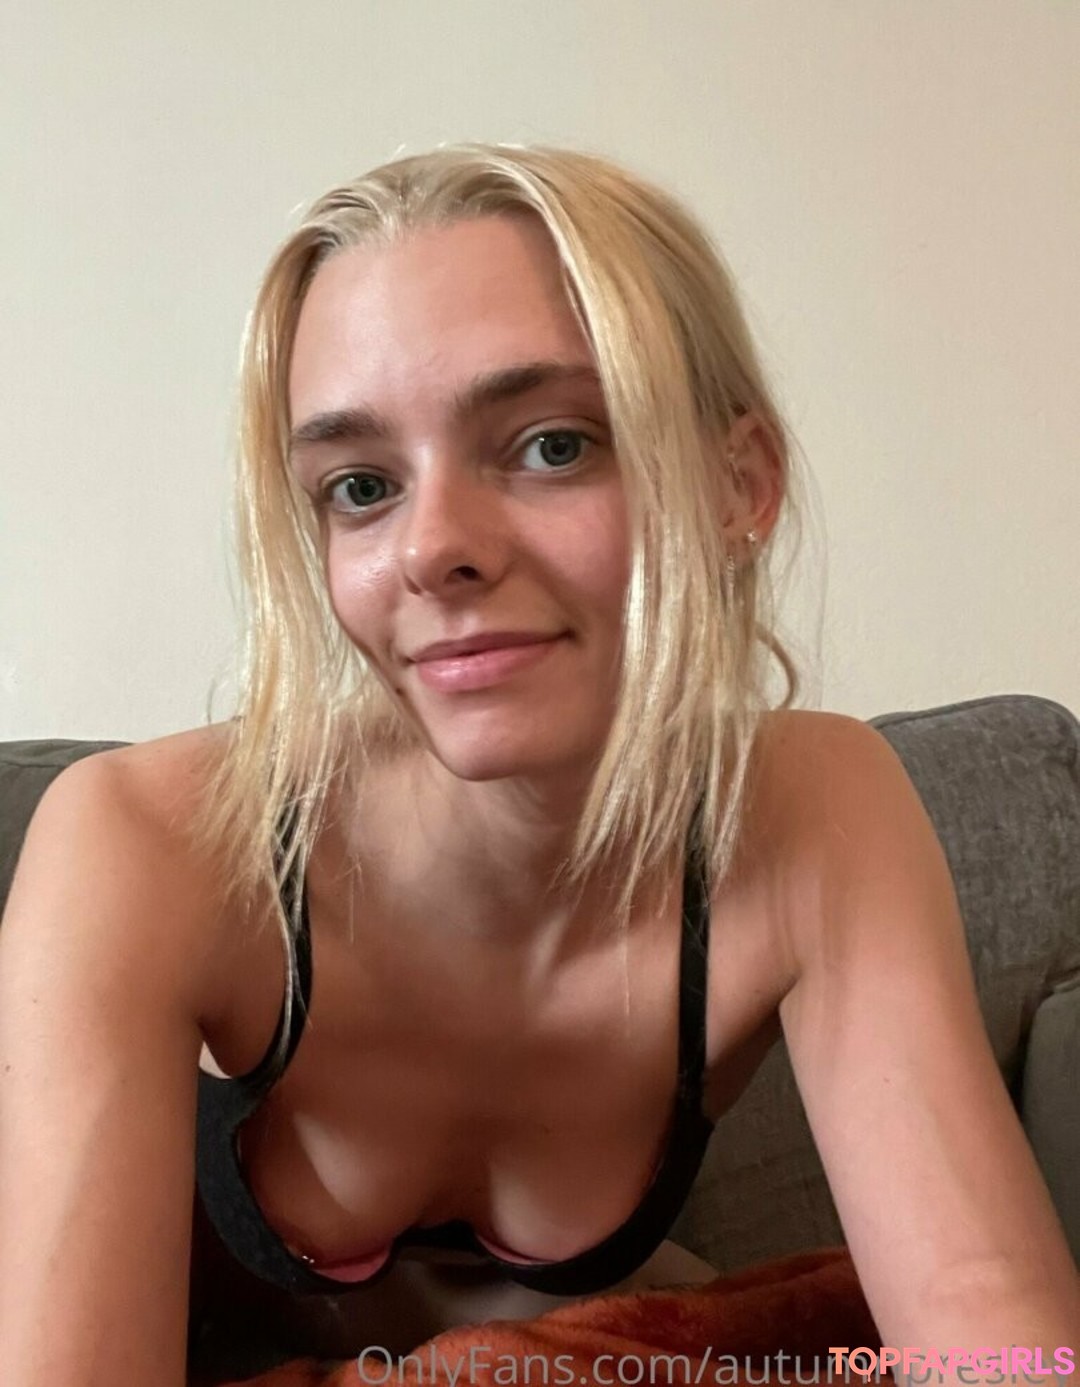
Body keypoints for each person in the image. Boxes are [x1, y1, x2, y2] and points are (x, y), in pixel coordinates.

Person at [0, 145, 1076, 1386]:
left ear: (739, 485)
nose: (433, 547)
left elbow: (994, 1330)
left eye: (552, 445)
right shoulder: (141, 842)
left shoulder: (815, 810)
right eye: (362, 486)